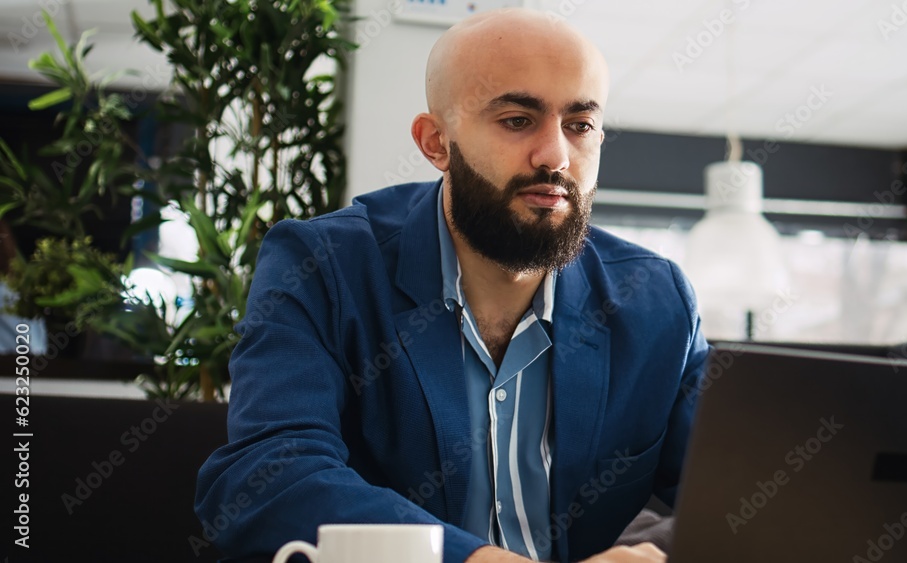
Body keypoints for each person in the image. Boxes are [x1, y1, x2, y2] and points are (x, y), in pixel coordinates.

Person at [195, 8, 708, 563]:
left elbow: (737, 493)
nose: (556, 156)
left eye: (579, 126)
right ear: (436, 142)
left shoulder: (656, 301)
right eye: (517, 119)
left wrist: (652, 554)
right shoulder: (325, 266)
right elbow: (268, 474)